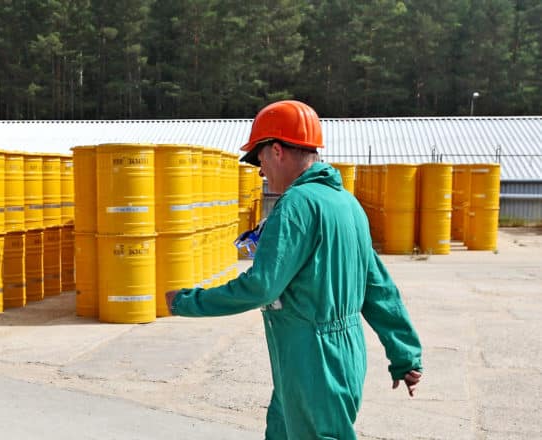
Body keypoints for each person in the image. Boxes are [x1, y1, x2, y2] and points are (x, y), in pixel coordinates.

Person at [165, 100, 423, 439]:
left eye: (259, 161)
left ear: (276, 151)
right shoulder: (349, 204)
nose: (261, 172)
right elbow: (379, 289)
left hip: (311, 363)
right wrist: (404, 354)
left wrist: (186, 301)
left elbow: (261, 287)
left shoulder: (296, 206)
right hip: (329, 358)